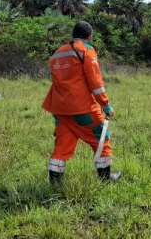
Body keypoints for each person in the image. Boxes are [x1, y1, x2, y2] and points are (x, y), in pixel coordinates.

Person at [42, 21, 121, 183]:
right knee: (101, 138)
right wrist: (105, 104)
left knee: (62, 145)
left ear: (73, 34)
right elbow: (95, 83)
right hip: (82, 108)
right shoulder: (87, 50)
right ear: (90, 35)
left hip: (59, 108)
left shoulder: (57, 53)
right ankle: (105, 179)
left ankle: (55, 184)